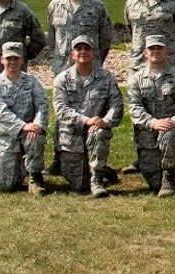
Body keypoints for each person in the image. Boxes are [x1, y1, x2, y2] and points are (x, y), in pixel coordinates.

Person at [52, 36, 124, 196]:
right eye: (79, 49)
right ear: (72, 54)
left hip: (96, 131)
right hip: (71, 136)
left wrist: (104, 122)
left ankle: (97, 179)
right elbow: (61, 109)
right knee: (78, 186)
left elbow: (117, 105)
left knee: (99, 133)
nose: (83, 52)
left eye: (87, 49)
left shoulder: (106, 78)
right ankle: (103, 170)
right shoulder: (61, 80)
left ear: (94, 53)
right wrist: (86, 120)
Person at [128, 35, 175, 195]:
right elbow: (134, 107)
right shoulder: (136, 79)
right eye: (152, 48)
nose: (156, 51)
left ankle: (169, 180)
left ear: (167, 51)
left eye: (159, 48)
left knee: (168, 137)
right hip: (147, 131)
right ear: (145, 53)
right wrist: (153, 123)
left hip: (173, 129)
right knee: (152, 182)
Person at [0, 41, 51, 194]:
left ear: (22, 60)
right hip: (8, 137)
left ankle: (35, 178)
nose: (12, 62)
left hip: (30, 133)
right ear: (2, 60)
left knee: (35, 138)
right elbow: (0, 112)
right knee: (8, 186)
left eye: (16, 58)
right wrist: (23, 126)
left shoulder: (32, 81)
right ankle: (21, 167)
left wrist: (37, 125)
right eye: (8, 59)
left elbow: (42, 105)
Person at [47, 0, 114, 69]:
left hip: (90, 66)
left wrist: (95, 57)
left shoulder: (97, 6)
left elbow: (106, 37)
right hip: (62, 66)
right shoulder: (55, 6)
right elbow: (52, 37)